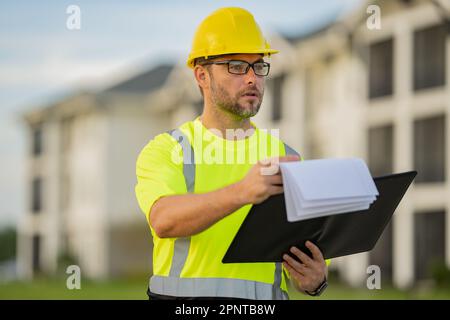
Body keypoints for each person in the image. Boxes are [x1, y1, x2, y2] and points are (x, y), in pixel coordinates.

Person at [135, 7, 329, 300]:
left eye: (258, 66)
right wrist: (242, 192)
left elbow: (300, 260)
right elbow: (164, 220)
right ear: (201, 75)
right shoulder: (167, 149)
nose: (252, 78)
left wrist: (314, 280)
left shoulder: (285, 156)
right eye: (237, 66)